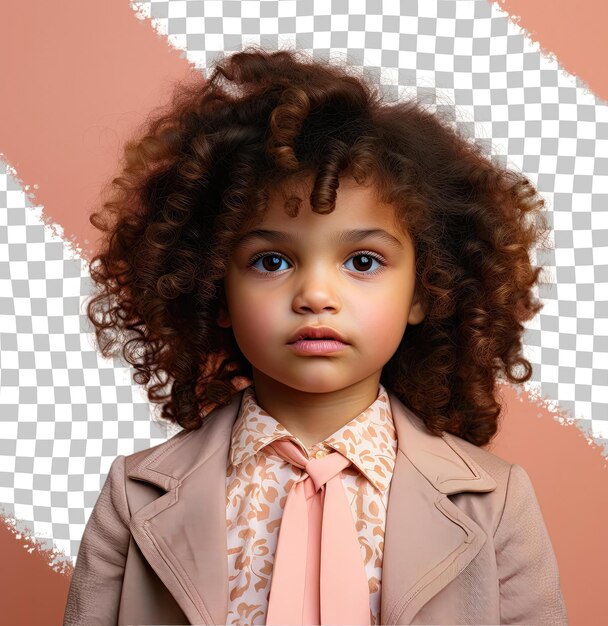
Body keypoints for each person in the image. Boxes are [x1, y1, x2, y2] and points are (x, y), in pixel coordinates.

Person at [63, 46, 568, 625]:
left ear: (426, 289)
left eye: (363, 261)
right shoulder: (136, 495)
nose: (315, 295)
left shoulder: (496, 502)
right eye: (273, 261)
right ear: (213, 286)